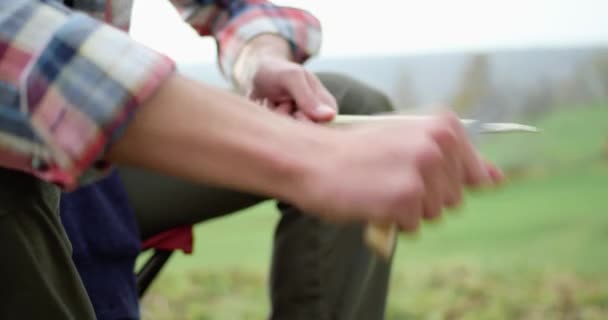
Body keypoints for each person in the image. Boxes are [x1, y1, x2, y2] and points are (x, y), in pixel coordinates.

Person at [0, 1, 502, 319]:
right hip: (19, 154)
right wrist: (303, 157)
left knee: (347, 108)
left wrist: (259, 57)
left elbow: (232, 6)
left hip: (95, 166)